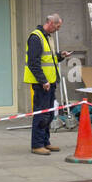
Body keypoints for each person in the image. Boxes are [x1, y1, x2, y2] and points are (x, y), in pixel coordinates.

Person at [24, 14, 71, 155]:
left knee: (49, 115)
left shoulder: (47, 37)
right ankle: (37, 145)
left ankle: (45, 142)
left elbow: (48, 59)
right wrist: (43, 80)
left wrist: (60, 56)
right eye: (57, 26)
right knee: (41, 114)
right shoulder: (36, 37)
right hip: (42, 84)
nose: (58, 29)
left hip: (50, 83)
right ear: (50, 23)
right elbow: (34, 62)